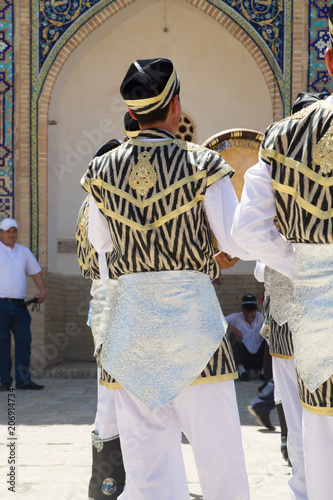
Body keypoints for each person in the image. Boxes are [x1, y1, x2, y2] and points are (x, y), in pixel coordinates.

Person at [80, 58, 252, 500]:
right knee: (220, 463)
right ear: (175, 105)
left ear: (133, 113)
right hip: (195, 333)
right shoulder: (202, 164)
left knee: (149, 471)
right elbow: (235, 238)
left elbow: (100, 242)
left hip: (132, 336)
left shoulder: (100, 172)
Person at [231, 8, 333, 498]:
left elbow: (246, 231)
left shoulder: (283, 137)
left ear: (328, 59)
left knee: (309, 435)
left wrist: (309, 265)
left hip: (302, 313)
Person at [0, 218, 46, 391]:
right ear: (0, 233)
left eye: (14, 231)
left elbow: (35, 272)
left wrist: (43, 291)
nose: (11, 234)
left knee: (24, 343)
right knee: (2, 344)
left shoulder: (24, 251)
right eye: (7, 231)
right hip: (0, 305)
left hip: (20, 305)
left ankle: (23, 380)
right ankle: (4, 380)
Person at [226, 294, 264, 381]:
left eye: (252, 311)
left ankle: (264, 372)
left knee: (270, 339)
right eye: (247, 311)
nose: (250, 314)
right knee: (231, 337)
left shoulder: (261, 317)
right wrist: (234, 329)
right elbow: (220, 322)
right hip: (244, 356)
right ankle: (241, 371)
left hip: (259, 356)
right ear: (242, 309)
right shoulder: (236, 317)